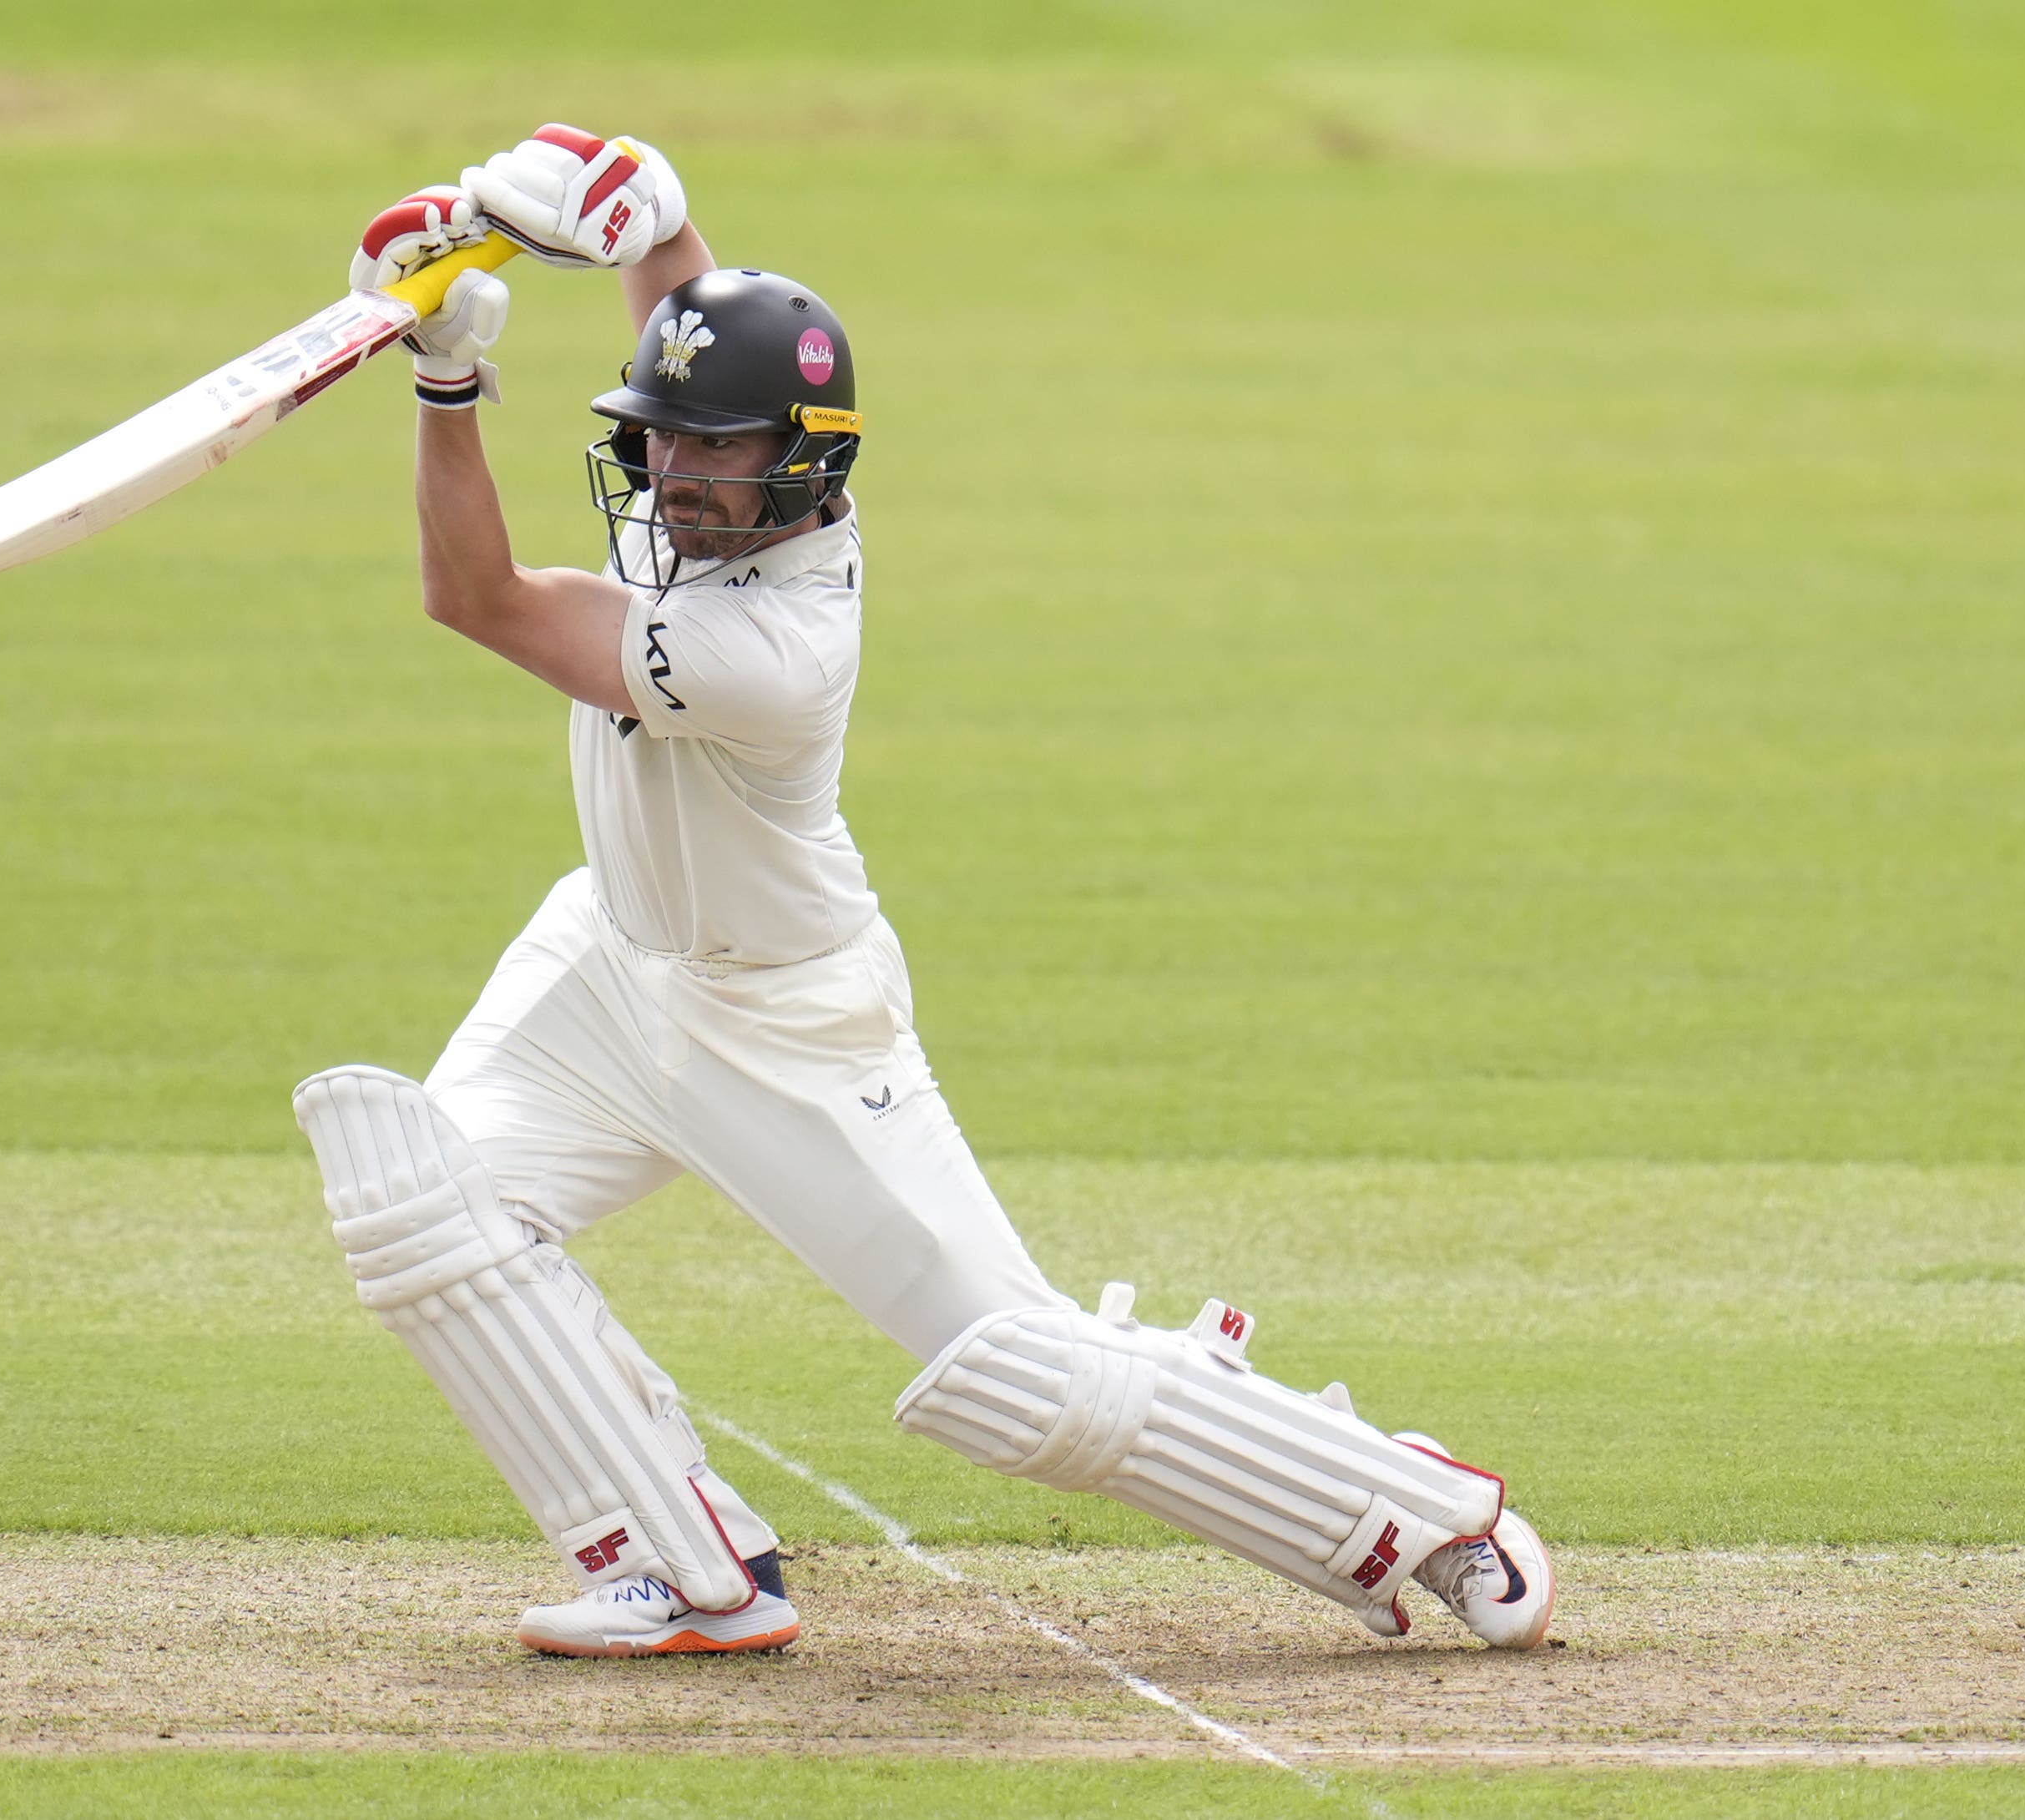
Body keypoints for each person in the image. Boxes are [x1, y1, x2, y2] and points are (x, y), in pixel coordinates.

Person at [294, 125, 1554, 1659]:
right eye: (659, 438)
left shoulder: (776, 650)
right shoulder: (724, 480)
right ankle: (688, 1573)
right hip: (607, 967)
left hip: (787, 1022)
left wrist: (443, 380)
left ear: (801, 461)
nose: (674, 473)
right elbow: (704, 334)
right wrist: (651, 217)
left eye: (711, 450)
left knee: (1013, 1376)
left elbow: (473, 597)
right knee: (423, 1201)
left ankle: (1411, 1501)